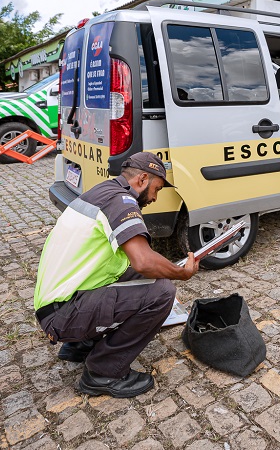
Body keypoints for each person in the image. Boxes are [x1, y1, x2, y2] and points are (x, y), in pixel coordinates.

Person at [34, 152, 199, 397]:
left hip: (58, 304)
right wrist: (181, 273)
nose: (154, 198)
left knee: (141, 277)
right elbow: (143, 261)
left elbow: (133, 263)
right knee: (162, 293)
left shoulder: (102, 192)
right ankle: (103, 373)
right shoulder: (122, 201)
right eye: (157, 189)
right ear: (143, 179)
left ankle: (81, 345)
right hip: (62, 314)